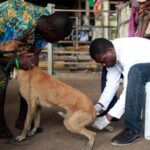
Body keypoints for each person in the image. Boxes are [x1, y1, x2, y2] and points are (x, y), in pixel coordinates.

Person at [0, 0, 72, 139]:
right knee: (1, 81)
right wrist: (15, 61)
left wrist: (31, 69)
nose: (56, 42)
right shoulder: (21, 24)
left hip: (18, 36)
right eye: (57, 38)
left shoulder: (46, 20)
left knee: (29, 78)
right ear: (49, 29)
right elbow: (3, 54)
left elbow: (35, 52)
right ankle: (0, 125)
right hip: (3, 37)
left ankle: (23, 119)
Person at [89, 37, 150, 144]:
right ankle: (109, 111)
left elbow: (129, 90)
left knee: (136, 72)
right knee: (108, 73)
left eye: (103, 61)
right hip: (145, 68)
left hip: (144, 67)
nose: (103, 64)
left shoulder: (128, 52)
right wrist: (99, 106)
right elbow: (111, 84)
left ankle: (132, 130)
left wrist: (107, 118)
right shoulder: (112, 54)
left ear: (110, 51)